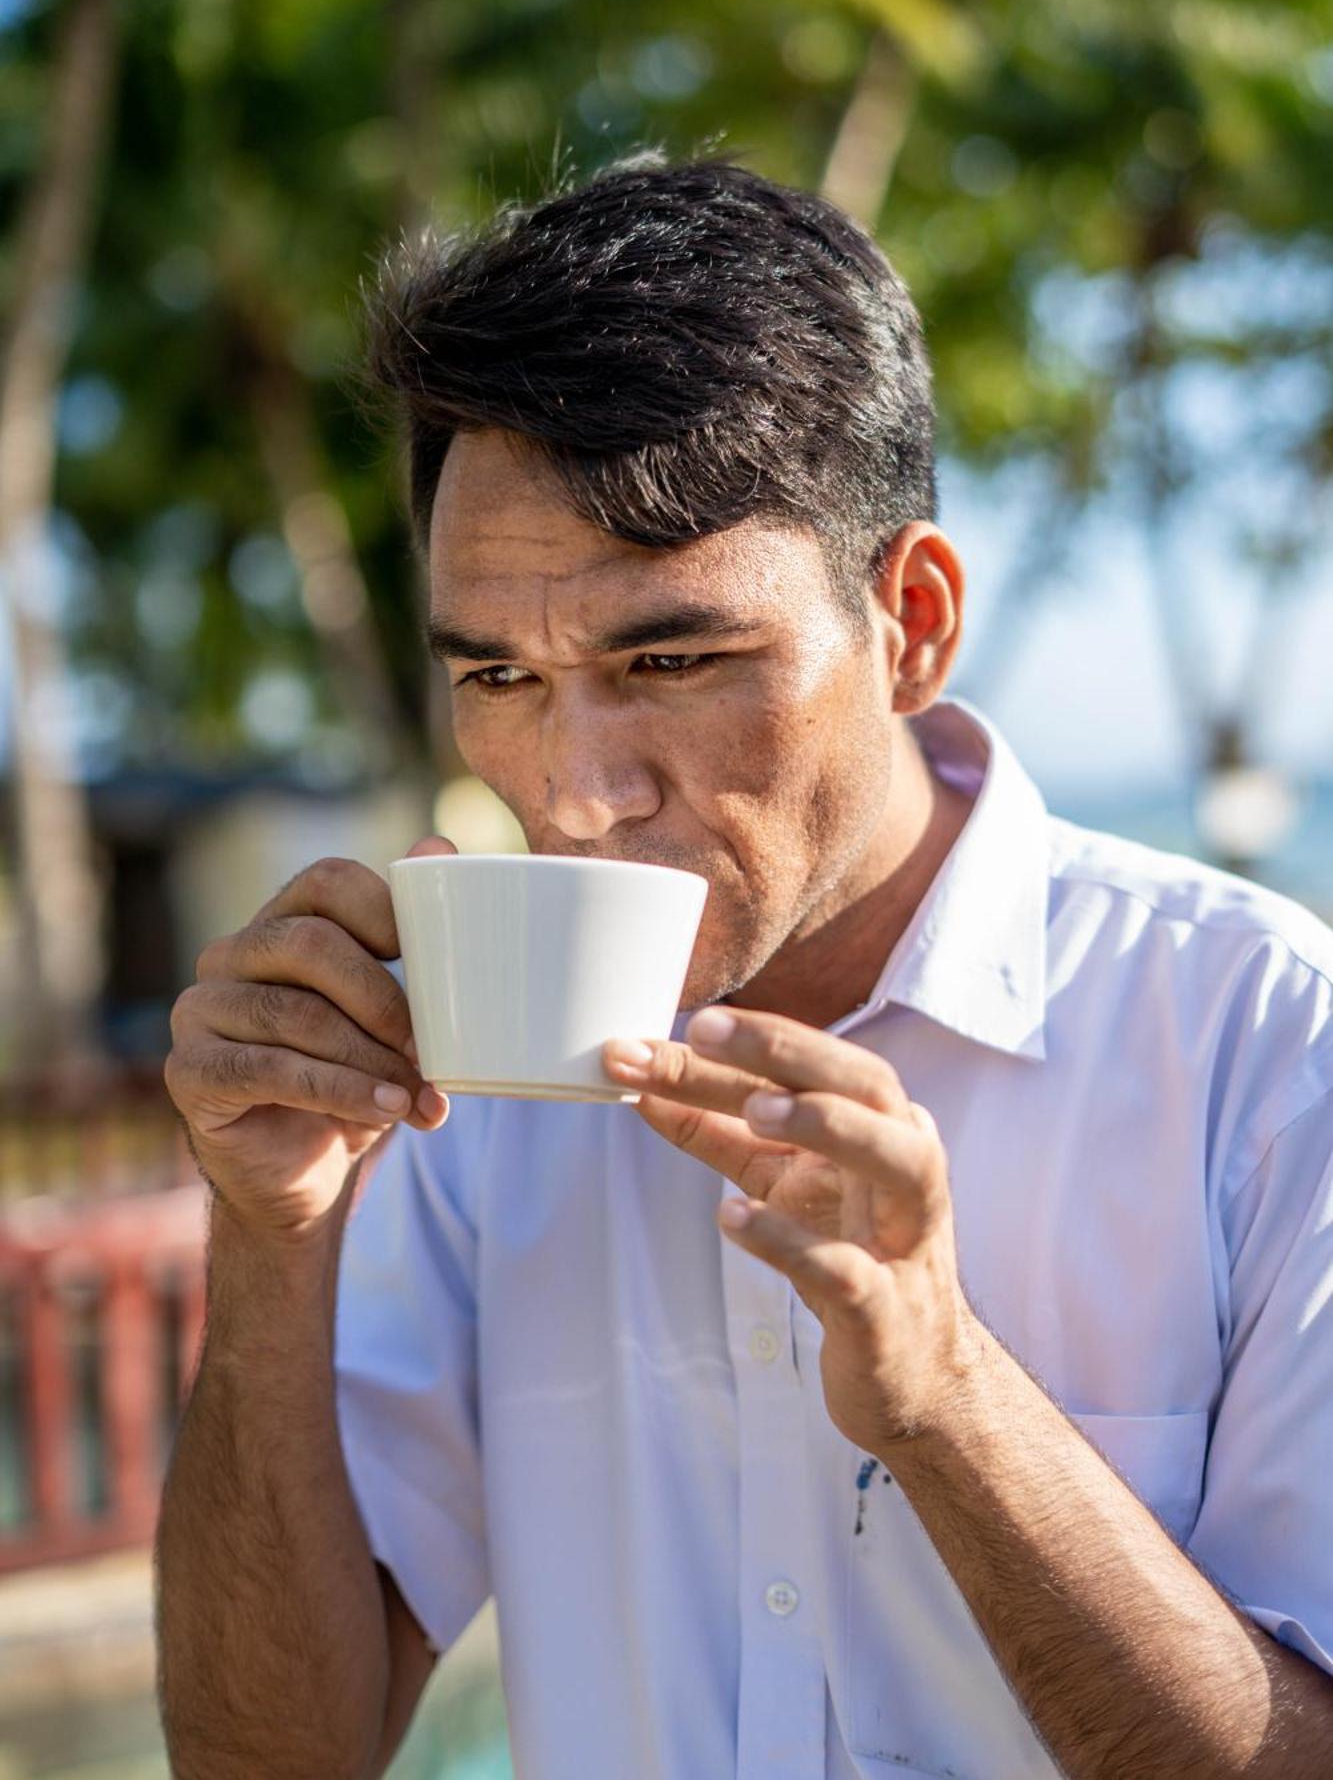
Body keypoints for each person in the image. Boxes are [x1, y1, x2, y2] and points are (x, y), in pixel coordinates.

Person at [156, 151, 1333, 1779]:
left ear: (910, 620)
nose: (574, 788)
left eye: (672, 657)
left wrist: (942, 1394)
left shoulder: (1266, 1046)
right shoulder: (462, 1094)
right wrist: (271, 1245)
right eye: (496, 672)